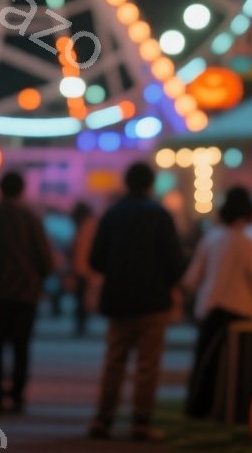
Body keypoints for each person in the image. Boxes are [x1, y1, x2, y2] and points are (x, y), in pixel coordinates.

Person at [88, 162, 183, 441]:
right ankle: (141, 423)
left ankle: (103, 420)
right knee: (147, 365)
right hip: (153, 301)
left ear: (126, 183)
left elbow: (96, 259)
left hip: (118, 299)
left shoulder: (112, 214)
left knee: (114, 361)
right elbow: (175, 263)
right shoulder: (160, 216)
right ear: (150, 184)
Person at [181, 186, 252, 418]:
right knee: (238, 367)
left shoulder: (210, 238)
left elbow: (192, 278)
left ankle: (199, 409)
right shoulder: (249, 243)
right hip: (241, 310)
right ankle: (233, 410)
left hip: (210, 308)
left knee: (205, 365)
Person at [0, 171, 53, 413]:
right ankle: (17, 395)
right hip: (25, 295)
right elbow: (45, 259)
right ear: (22, 190)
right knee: (21, 346)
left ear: (0, 189)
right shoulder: (30, 219)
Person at [68, 201, 97, 337]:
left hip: (83, 269)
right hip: (85, 268)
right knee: (82, 299)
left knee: (81, 299)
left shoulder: (85, 227)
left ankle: (81, 325)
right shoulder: (90, 225)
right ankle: (81, 325)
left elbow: (79, 250)